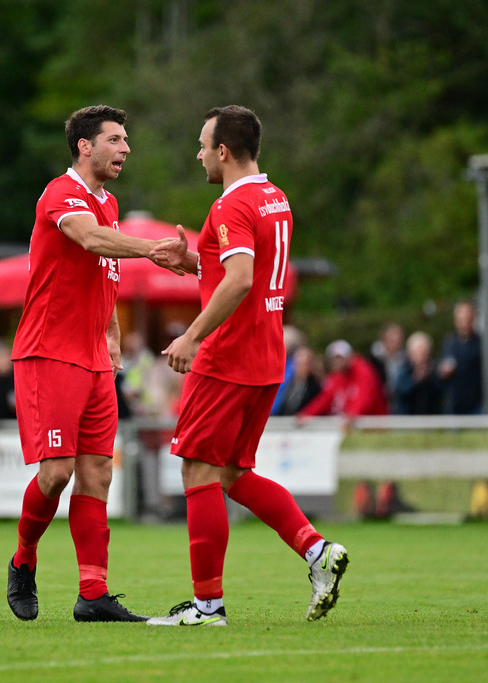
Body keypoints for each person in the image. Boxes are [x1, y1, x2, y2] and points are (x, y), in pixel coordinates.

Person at [146, 105, 348, 627]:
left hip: (227, 355)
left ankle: (207, 607)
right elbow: (241, 270)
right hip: (266, 356)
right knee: (233, 473)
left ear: (223, 151)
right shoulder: (274, 196)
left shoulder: (231, 204)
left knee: (196, 469)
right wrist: (189, 260)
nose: (197, 154)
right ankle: (316, 551)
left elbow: (238, 280)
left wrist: (191, 335)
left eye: (202, 144)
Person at [6, 104, 183, 623]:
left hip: (94, 360)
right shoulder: (61, 194)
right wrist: (152, 249)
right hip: (49, 353)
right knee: (56, 473)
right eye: (115, 139)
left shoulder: (110, 203)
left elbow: (100, 273)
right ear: (85, 146)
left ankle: (92, 594)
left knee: (98, 473)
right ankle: (23, 560)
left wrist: (110, 330)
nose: (125, 148)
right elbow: (89, 240)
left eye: (126, 140)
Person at [298, 340, 388, 428]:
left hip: (372, 426)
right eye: (334, 358)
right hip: (352, 426)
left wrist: (352, 414)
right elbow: (324, 399)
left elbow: (365, 397)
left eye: (340, 358)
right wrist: (307, 414)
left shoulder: (363, 371)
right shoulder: (337, 377)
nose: (337, 361)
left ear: (349, 357)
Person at [437, 300, 484, 415]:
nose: (464, 322)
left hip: (477, 404)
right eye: (461, 318)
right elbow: (440, 371)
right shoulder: (449, 343)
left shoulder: (481, 344)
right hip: (454, 405)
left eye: (467, 317)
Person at [392, 331, 444, 415]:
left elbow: (441, 393)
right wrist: (415, 380)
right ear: (410, 353)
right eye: (418, 352)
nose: (421, 355)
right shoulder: (402, 369)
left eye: (424, 352)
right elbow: (399, 392)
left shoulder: (435, 370)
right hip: (407, 418)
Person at [368, 321, 405, 407]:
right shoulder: (373, 359)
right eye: (392, 338)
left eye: (398, 338)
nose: (395, 341)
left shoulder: (405, 359)